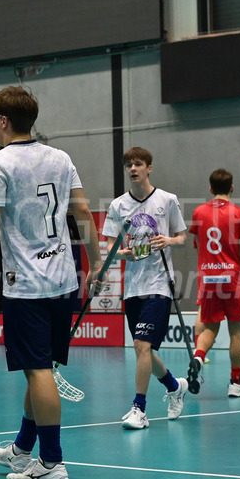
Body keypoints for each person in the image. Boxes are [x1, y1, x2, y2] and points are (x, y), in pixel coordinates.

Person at [0, 86, 104, 479]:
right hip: (63, 280)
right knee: (41, 367)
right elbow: (83, 212)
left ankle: (52, 463)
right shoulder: (61, 158)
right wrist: (98, 260)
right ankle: (22, 448)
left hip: (27, 285)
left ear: (3, 121)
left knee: (38, 371)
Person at [103, 147, 189, 430]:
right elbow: (109, 247)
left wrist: (169, 241)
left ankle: (139, 409)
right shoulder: (118, 205)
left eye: (138, 164)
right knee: (145, 350)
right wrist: (121, 254)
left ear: (149, 168)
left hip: (159, 284)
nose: (133, 169)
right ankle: (175, 386)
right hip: (132, 287)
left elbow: (182, 237)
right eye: (128, 164)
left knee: (141, 345)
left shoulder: (168, 200)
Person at [189, 169, 240, 397]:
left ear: (210, 189)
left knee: (209, 327)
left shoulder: (199, 212)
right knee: (236, 331)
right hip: (233, 280)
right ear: (232, 188)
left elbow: (198, 244)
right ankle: (235, 383)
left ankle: (198, 356)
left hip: (208, 278)